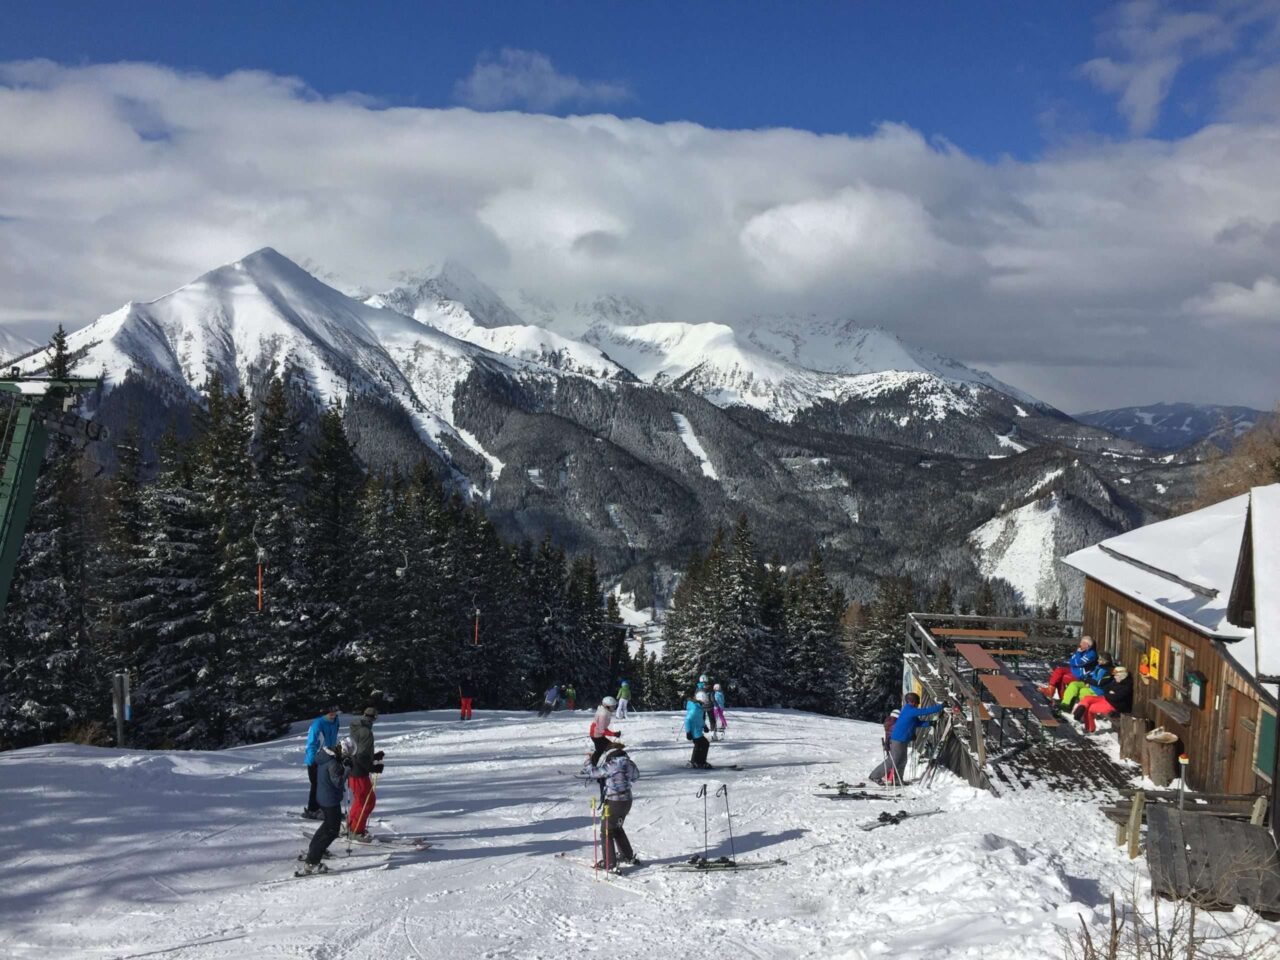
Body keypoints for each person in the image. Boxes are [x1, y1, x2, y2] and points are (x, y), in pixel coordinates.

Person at [869, 693, 945, 786]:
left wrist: (929, 723)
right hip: (898, 739)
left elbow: (917, 723)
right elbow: (925, 711)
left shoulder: (909, 711)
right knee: (893, 760)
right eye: (917, 703)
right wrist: (941, 706)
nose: (918, 705)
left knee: (903, 760)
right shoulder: (910, 710)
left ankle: (897, 780)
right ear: (913, 702)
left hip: (903, 740)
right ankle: (875, 776)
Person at [298, 741, 347, 875]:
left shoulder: (324, 757)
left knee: (327, 826)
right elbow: (338, 782)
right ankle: (312, 861)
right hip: (330, 799)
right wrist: (347, 769)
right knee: (332, 830)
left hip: (323, 797)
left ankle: (313, 850)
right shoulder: (332, 763)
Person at [593, 744, 641, 870]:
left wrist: (588, 763)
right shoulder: (629, 763)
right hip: (626, 801)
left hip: (614, 801)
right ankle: (627, 855)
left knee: (606, 831)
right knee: (617, 827)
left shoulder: (611, 764)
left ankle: (610, 863)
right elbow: (636, 777)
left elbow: (595, 773)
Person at [346, 706, 385, 843]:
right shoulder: (366, 732)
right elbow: (361, 756)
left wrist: (373, 757)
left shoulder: (356, 728)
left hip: (353, 771)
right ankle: (356, 831)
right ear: (374, 718)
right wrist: (373, 767)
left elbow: (358, 752)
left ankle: (351, 827)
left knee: (359, 801)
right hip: (359, 772)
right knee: (368, 802)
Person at [302, 706, 340, 820]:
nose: (333, 715)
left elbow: (333, 739)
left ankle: (327, 810)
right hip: (316, 759)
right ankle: (312, 810)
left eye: (334, 713)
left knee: (328, 785)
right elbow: (311, 744)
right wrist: (315, 760)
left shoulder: (336, 722)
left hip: (329, 757)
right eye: (330, 714)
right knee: (317, 784)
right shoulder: (317, 725)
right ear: (324, 714)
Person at [1075, 666, 1133, 733]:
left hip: (1113, 705)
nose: (1114, 677)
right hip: (1106, 699)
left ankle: (1089, 728)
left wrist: (1109, 694)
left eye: (1116, 675)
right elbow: (1106, 689)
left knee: (1090, 708)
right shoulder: (1116, 681)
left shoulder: (1127, 686)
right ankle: (1080, 709)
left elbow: (1116, 698)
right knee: (1087, 698)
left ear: (1122, 676)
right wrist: (1110, 693)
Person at [589, 696, 621, 766]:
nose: (613, 709)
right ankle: (592, 766)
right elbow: (601, 729)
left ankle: (594, 762)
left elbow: (602, 728)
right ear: (606, 706)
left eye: (614, 706)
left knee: (609, 747)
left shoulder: (605, 711)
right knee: (600, 751)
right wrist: (613, 734)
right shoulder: (603, 714)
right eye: (612, 707)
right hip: (596, 735)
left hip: (598, 734)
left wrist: (613, 734)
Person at [685, 690, 713, 768]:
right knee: (701, 744)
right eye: (703, 702)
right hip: (694, 732)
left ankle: (699, 761)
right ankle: (695, 761)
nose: (704, 704)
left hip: (698, 731)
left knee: (703, 744)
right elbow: (687, 720)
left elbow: (699, 719)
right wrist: (688, 732)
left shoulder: (699, 708)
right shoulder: (695, 709)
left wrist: (704, 726)